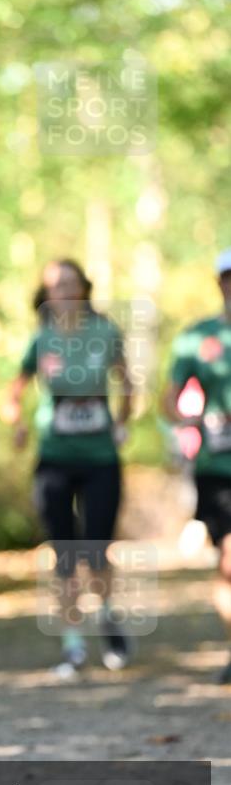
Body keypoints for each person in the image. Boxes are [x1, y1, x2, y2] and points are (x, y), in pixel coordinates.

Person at [1, 258, 133, 678]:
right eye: (55, 286)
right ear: (46, 295)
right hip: (54, 460)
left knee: (95, 549)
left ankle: (108, 617)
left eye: (70, 284)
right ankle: (73, 645)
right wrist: (17, 423)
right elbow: (14, 392)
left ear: (84, 288)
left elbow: (127, 381)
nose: (64, 292)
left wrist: (123, 422)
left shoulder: (105, 331)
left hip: (100, 460)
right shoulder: (41, 339)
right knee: (63, 554)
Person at [163, 248, 231, 684]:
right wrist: (191, 420)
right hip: (218, 464)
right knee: (228, 558)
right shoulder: (197, 337)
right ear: (220, 282)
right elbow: (169, 398)